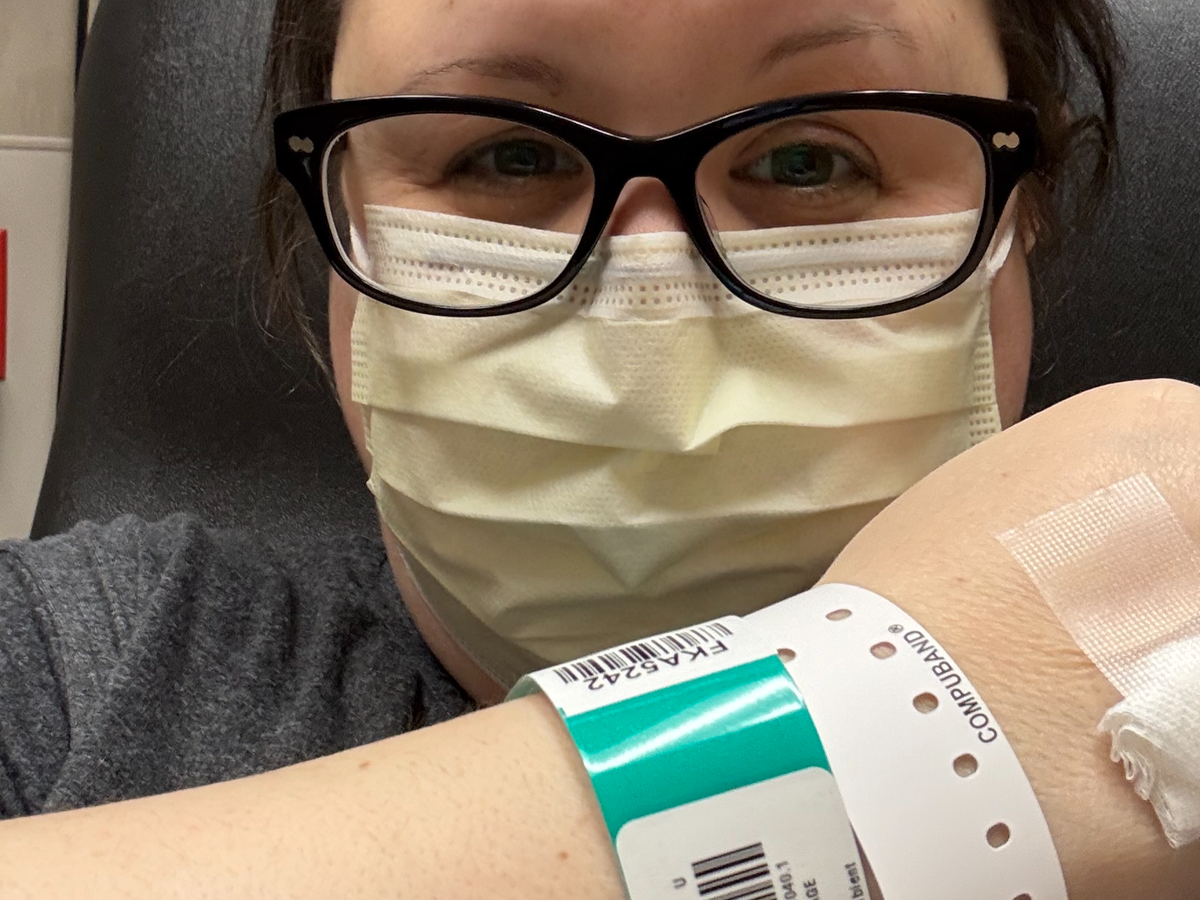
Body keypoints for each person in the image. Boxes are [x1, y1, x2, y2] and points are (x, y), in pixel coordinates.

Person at [3, 0, 1197, 897]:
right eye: (508, 157)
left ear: (1022, 218)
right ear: (338, 226)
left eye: (811, 161)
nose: (650, 306)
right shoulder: (78, 664)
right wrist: (892, 731)